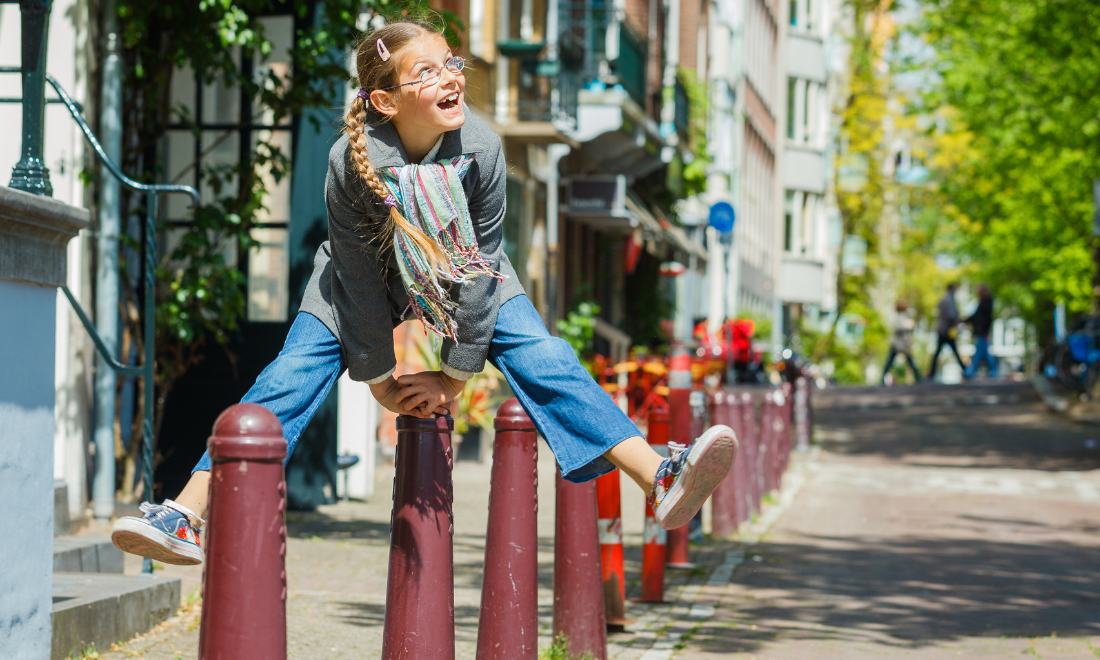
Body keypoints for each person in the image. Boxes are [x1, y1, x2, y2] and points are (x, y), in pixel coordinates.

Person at [109, 21, 736, 566]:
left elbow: (482, 267)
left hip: (462, 270)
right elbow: (357, 278)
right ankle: (186, 514)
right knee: (287, 377)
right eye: (427, 72)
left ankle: (657, 475)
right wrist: (380, 377)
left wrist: (454, 375)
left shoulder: (482, 148)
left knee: (547, 356)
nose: (451, 77)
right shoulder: (350, 161)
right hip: (364, 278)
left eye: (451, 63)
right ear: (386, 100)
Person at [927, 282, 967, 380]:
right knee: (954, 352)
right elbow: (951, 315)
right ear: (952, 289)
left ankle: (932, 373)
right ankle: (966, 371)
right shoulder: (949, 299)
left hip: (943, 330)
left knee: (940, 352)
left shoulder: (944, 299)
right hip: (946, 330)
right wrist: (958, 320)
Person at [882, 300, 920, 385]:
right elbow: (898, 327)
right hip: (898, 343)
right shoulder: (899, 316)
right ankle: (918, 377)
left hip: (902, 343)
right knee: (892, 361)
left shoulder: (903, 316)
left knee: (909, 361)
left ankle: (918, 377)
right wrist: (909, 326)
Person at [964, 284, 997, 379]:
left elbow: (988, 318)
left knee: (979, 352)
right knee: (984, 352)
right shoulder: (982, 302)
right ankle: (993, 371)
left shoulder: (988, 302)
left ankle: (971, 371)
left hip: (982, 331)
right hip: (980, 331)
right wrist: (965, 321)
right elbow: (976, 316)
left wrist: (985, 330)